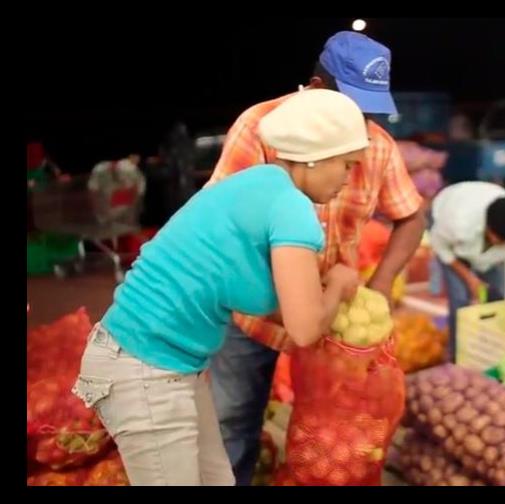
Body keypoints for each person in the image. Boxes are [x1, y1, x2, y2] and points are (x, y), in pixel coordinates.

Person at [71, 89, 367, 485]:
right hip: (145, 367)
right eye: (346, 165)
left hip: (162, 363)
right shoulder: (291, 206)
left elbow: (274, 303)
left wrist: (320, 293)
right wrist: (340, 284)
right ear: (316, 156)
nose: (348, 179)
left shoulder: (258, 184)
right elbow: (304, 328)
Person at [205, 31, 425, 485]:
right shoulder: (259, 127)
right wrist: (296, 302)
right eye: (353, 108)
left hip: (333, 321)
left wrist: (380, 285)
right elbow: (223, 231)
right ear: (317, 87)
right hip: (252, 315)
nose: (361, 124)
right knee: (232, 422)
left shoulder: (377, 145)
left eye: (369, 112)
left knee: (334, 435)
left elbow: (411, 216)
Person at [429, 181, 505, 361]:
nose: (501, 244)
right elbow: (440, 247)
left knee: (497, 295)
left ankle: (488, 349)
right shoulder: (457, 222)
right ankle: (456, 356)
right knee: (460, 299)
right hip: (450, 243)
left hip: (480, 251)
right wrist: (469, 278)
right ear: (488, 227)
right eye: (498, 239)